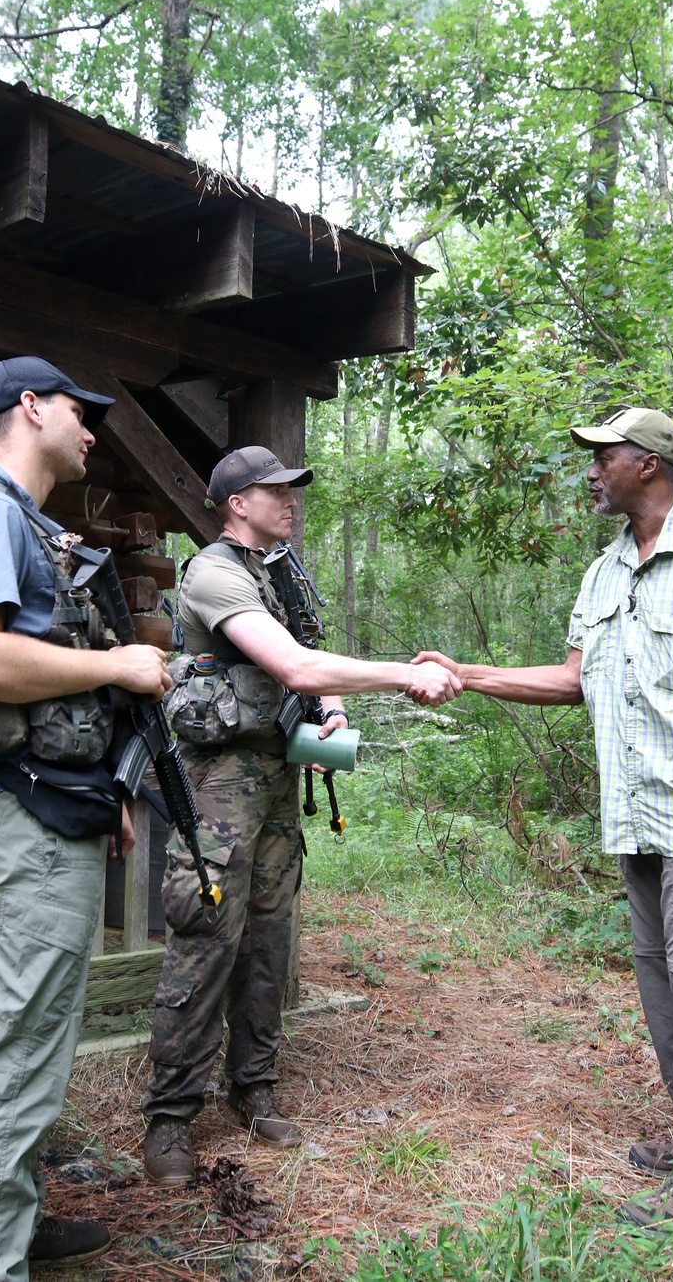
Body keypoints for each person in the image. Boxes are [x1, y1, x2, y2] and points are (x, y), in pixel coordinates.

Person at [413, 407, 673, 1226]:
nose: (590, 470)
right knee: (665, 985)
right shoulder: (603, 573)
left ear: (650, 464)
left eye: (604, 455)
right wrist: (471, 672)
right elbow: (574, 679)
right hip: (638, 819)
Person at [141, 445, 462, 1184]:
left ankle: (253, 1086)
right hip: (220, 783)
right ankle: (170, 1119)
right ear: (235, 503)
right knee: (204, 935)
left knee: (267, 937)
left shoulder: (278, 568)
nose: (291, 500)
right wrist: (402, 675)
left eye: (292, 489)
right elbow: (292, 665)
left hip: (278, 777)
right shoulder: (215, 572)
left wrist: (335, 711)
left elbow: (310, 659)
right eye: (274, 490)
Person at [0, 356, 172, 1281]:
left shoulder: (34, 527)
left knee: (34, 1048)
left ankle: (7, 1230)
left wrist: (102, 790)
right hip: (16, 826)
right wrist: (119, 668)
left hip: (49, 815)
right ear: (29, 406)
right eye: (79, 409)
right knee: (11, 1053)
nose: (93, 428)